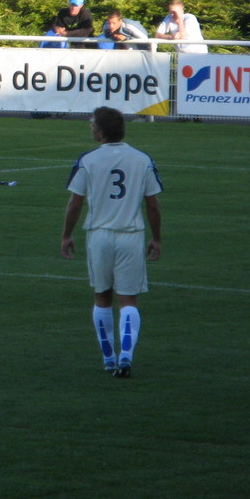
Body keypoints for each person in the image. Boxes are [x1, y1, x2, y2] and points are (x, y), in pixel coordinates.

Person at [61, 106, 163, 378]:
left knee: (102, 296)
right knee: (128, 299)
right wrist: (156, 238)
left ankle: (109, 359)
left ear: (102, 132)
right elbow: (152, 204)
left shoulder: (88, 160)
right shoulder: (142, 159)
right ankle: (126, 356)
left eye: (92, 124)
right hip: (131, 236)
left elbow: (75, 203)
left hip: (99, 236)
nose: (90, 128)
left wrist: (66, 234)